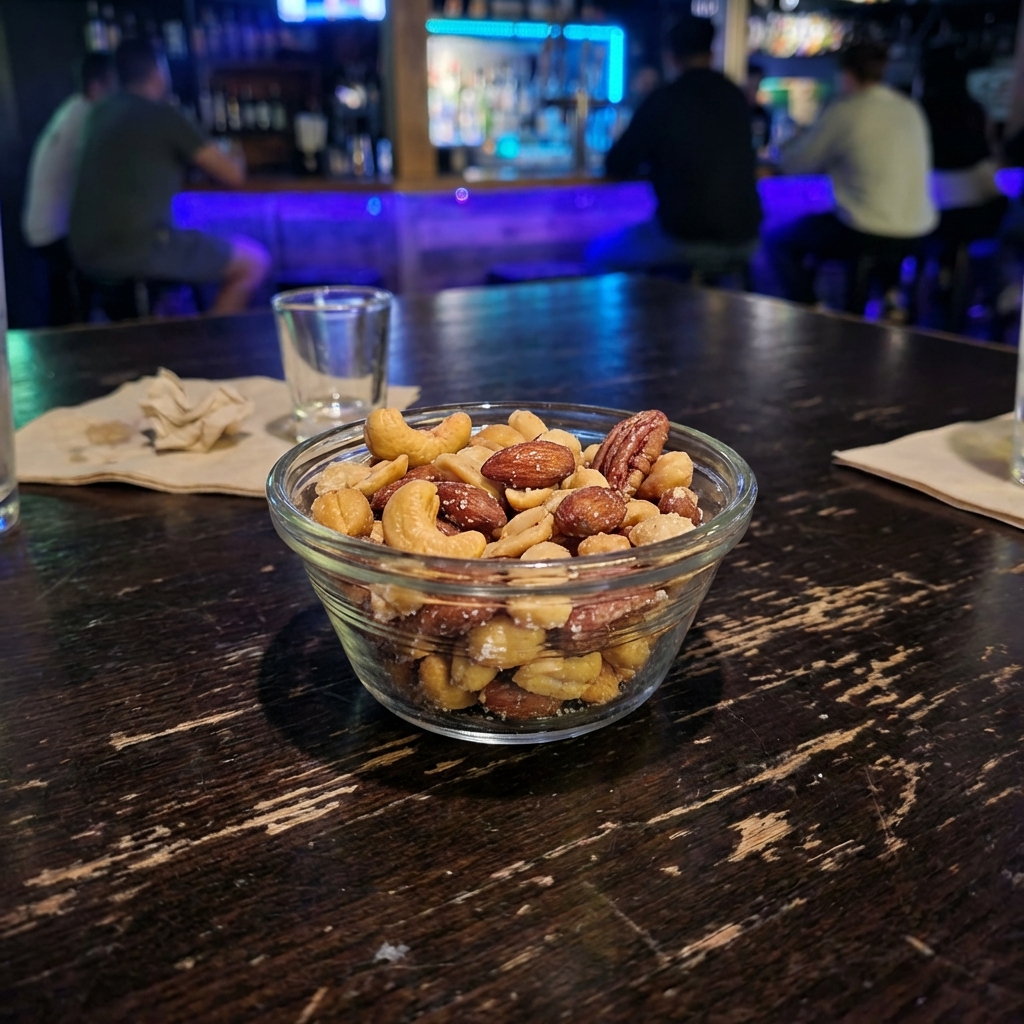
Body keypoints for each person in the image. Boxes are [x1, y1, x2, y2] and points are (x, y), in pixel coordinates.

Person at [69, 38, 269, 316]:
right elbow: (233, 175)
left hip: (83, 250)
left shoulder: (100, 112)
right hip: (134, 247)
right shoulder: (163, 114)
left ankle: (182, 339)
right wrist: (234, 151)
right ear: (158, 71)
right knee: (254, 261)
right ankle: (212, 349)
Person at [586, 16, 762, 280]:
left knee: (598, 255)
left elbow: (617, 164)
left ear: (670, 57)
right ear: (712, 53)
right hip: (747, 237)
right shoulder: (734, 96)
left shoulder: (664, 100)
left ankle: (647, 321)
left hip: (686, 237)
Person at [765, 42, 937, 307]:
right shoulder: (909, 108)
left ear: (846, 74)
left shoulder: (847, 110)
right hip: (918, 229)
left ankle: (812, 311)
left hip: (866, 229)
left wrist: (777, 153)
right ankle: (889, 299)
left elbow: (797, 164)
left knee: (777, 241)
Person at [22, 53, 117, 325]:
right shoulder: (90, 116)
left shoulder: (73, 109)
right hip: (56, 231)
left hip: (42, 228)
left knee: (72, 301)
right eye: (114, 86)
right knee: (97, 289)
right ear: (98, 87)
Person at [746, 61, 772, 154]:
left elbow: (762, 144)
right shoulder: (734, 111)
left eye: (756, 87)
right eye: (749, 87)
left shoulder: (761, 114)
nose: (753, 92)